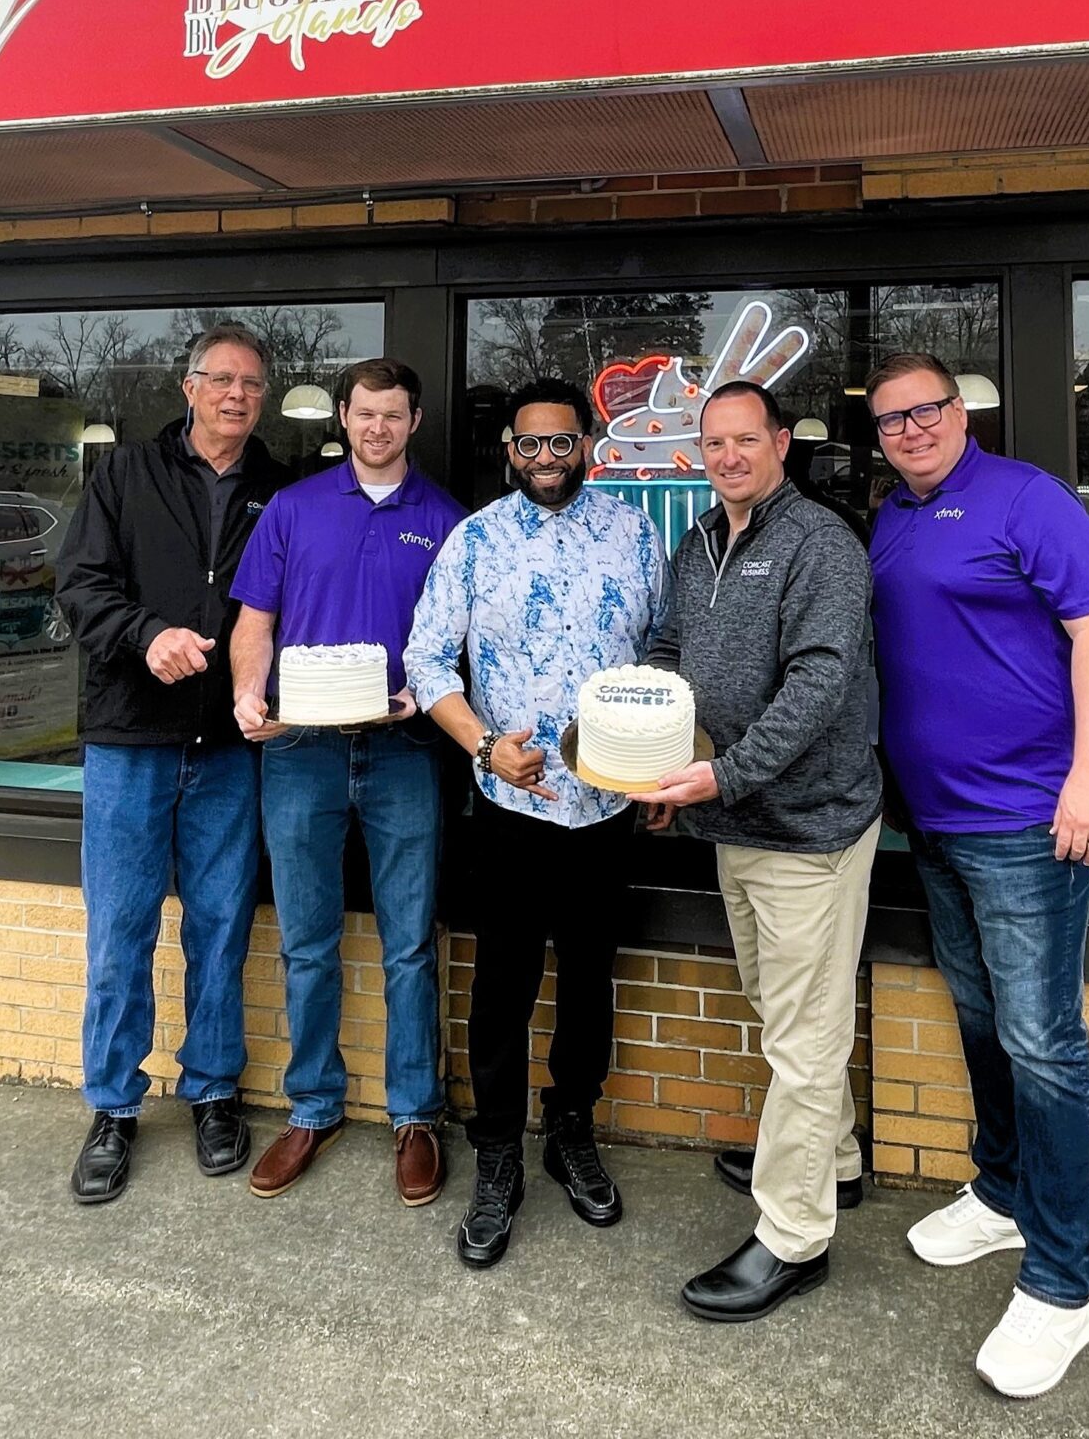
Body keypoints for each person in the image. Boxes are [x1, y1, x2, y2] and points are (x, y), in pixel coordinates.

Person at [864, 350, 1089, 1400]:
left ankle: (1064, 1285)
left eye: (926, 410)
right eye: (890, 420)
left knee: (1042, 1042)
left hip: (1028, 822)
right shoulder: (891, 519)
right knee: (979, 1018)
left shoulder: (1028, 499)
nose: (911, 429)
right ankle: (1004, 1189)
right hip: (933, 821)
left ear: (961, 410)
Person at [405, 377, 666, 1268]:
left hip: (608, 810)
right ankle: (497, 1158)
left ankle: (570, 1130)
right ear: (508, 451)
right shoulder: (473, 542)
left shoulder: (634, 535)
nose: (546, 459)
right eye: (530, 445)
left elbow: (666, 651)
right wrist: (483, 748)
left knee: (590, 981)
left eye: (562, 443)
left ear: (587, 445)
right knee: (501, 991)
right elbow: (428, 658)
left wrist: (661, 758)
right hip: (510, 808)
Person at [640, 381, 882, 1324]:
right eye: (714, 442)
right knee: (789, 1011)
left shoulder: (820, 544)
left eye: (747, 440)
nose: (729, 455)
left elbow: (819, 684)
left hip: (807, 827)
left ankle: (793, 1236)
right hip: (730, 820)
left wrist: (723, 773)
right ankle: (834, 1158)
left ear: (781, 442)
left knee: (803, 1038)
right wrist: (660, 754)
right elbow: (667, 649)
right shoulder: (696, 542)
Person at [51, 324, 291, 1204]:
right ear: (188, 388)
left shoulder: (281, 489)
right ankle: (113, 1106)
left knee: (220, 928)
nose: (237, 396)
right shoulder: (121, 475)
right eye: (222, 380)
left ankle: (214, 1089)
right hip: (130, 743)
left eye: (252, 385)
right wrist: (145, 637)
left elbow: (296, 608)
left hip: (229, 748)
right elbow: (78, 587)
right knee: (120, 931)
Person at [229, 358, 467, 1206]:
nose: (377, 429)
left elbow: (463, 644)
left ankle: (415, 1115)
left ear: (413, 421)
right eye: (364, 414)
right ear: (343, 416)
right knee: (306, 941)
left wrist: (431, 696)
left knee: (408, 943)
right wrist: (246, 694)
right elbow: (254, 621)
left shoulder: (446, 520)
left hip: (404, 752)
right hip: (300, 753)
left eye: (393, 416)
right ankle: (314, 1106)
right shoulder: (293, 509)